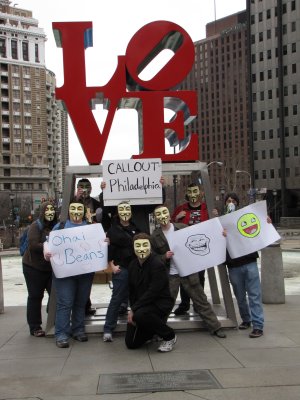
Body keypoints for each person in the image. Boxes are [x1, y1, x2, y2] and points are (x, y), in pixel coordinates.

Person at [151, 205, 226, 338]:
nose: (162, 217)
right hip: (171, 275)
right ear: (156, 218)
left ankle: (215, 327)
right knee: (165, 304)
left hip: (188, 271)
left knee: (201, 300)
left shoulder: (182, 228)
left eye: (164, 213)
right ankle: (158, 331)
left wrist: (219, 230)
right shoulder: (155, 236)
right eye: (159, 215)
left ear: (169, 215)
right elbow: (153, 257)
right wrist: (164, 257)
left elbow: (203, 235)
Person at [44, 199, 95, 348]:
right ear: (68, 210)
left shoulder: (91, 227)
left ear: (84, 211)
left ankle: (78, 330)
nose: (76, 212)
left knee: (80, 302)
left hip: (85, 273)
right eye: (73, 209)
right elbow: (48, 243)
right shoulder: (60, 226)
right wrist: (46, 252)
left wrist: (104, 242)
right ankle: (61, 334)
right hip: (65, 273)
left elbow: (97, 245)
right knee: (65, 303)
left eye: (80, 209)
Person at [222, 192, 265, 338]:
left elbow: (259, 227)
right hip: (233, 266)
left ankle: (258, 325)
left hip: (249, 262)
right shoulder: (221, 222)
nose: (231, 203)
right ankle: (246, 319)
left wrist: (267, 222)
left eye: (233, 200)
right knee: (240, 296)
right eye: (228, 201)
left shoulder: (245, 217)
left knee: (254, 295)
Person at [125, 233, 177, 352]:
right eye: (138, 246)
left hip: (159, 303)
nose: (142, 249)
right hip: (142, 305)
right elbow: (132, 290)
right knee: (131, 343)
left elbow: (153, 292)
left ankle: (169, 336)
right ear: (133, 247)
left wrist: (134, 310)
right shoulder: (132, 265)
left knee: (140, 315)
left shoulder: (157, 264)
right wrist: (132, 308)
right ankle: (152, 331)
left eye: (145, 245)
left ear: (150, 247)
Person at [103, 202, 140, 342]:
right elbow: (109, 249)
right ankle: (108, 329)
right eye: (122, 210)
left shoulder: (136, 228)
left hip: (135, 268)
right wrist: (111, 265)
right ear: (118, 212)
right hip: (121, 268)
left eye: (127, 209)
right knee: (117, 298)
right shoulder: (112, 230)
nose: (125, 212)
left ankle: (137, 325)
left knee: (136, 298)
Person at [171, 183, 209, 315]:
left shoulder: (207, 208)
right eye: (190, 192)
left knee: (200, 277)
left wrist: (215, 215)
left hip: (201, 249)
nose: (193, 195)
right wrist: (176, 218)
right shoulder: (181, 208)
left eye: (195, 191)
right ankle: (185, 304)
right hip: (185, 250)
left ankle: (199, 304)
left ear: (201, 193)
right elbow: (170, 226)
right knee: (184, 277)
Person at [22, 201, 57, 337]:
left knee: (55, 294)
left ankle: (52, 316)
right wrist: (47, 246)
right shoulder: (35, 226)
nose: (50, 213)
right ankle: (35, 326)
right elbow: (33, 245)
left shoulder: (56, 226)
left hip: (49, 268)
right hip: (33, 267)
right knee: (35, 296)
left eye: (52, 211)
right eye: (47, 211)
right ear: (43, 213)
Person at [75, 178, 109, 315]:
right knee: (78, 276)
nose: (84, 189)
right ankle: (79, 307)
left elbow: (106, 219)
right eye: (81, 186)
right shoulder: (73, 201)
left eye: (87, 186)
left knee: (88, 276)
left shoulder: (96, 203)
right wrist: (75, 199)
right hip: (77, 244)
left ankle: (86, 305)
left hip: (92, 244)